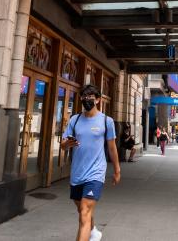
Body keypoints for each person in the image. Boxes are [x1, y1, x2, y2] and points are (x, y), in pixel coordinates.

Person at [61, 85, 121, 241]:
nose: (87, 100)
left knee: (85, 212)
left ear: (98, 100)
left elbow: (112, 148)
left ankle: (88, 233)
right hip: (77, 173)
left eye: (90, 97)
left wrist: (117, 170)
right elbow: (63, 144)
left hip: (96, 173)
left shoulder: (106, 121)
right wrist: (67, 144)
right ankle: (93, 231)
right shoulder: (75, 120)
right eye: (84, 97)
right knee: (82, 210)